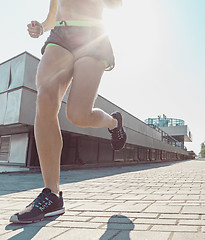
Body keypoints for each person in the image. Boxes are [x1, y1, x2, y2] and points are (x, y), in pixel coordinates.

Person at [10, 0, 126, 224]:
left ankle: (113, 122)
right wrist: (41, 27)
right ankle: (52, 194)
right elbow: (54, 13)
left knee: (78, 115)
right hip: (61, 35)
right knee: (44, 99)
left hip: (92, 36)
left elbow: (116, 5)